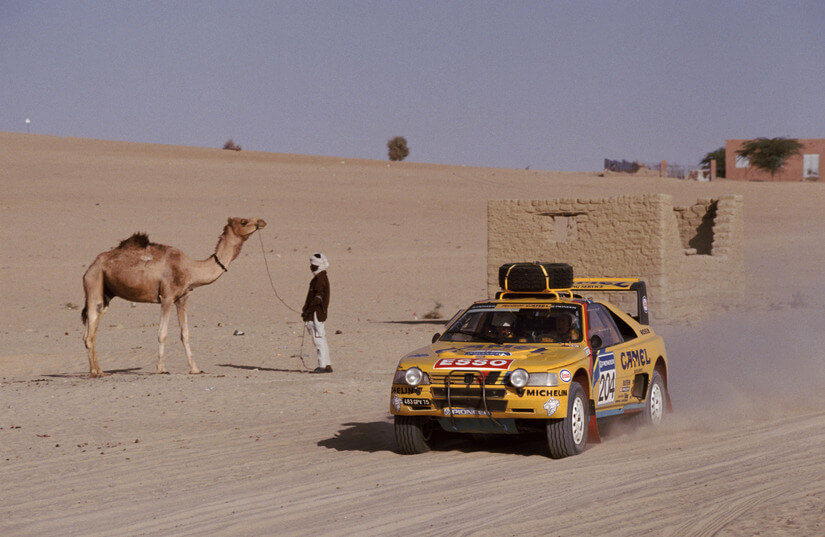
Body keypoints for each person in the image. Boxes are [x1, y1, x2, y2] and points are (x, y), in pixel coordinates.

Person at [302, 253, 331, 374]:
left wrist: (308, 310)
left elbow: (318, 298)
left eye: (312, 265)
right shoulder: (321, 277)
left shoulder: (319, 279)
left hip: (316, 313)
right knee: (322, 338)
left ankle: (322, 365)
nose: (311, 267)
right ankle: (327, 364)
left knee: (318, 339)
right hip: (317, 312)